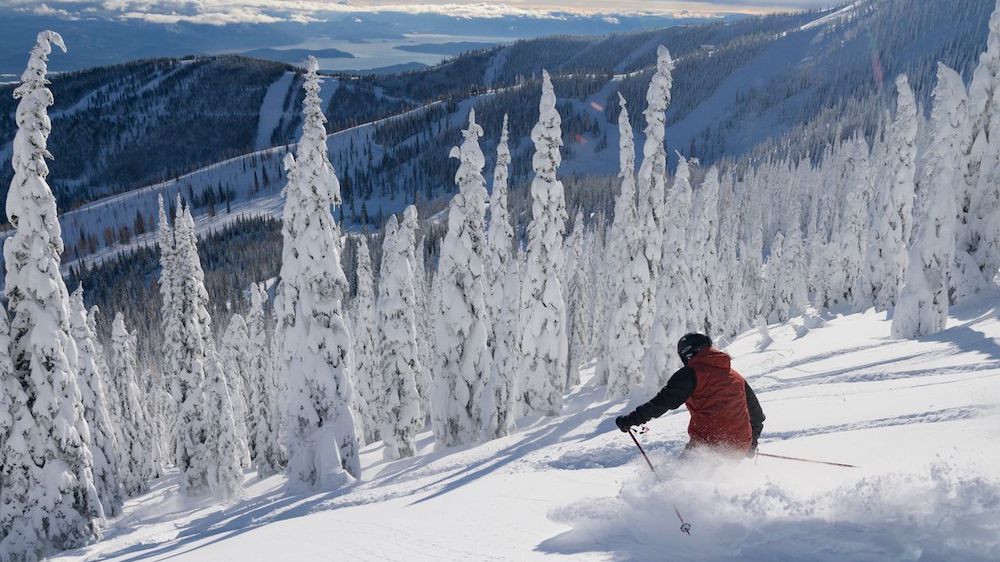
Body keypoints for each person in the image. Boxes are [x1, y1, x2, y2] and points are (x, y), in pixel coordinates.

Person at [614, 333, 765, 457]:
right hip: (739, 445)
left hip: (708, 444)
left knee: (680, 483)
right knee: (718, 484)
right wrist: (752, 442)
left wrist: (631, 419)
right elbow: (757, 414)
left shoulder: (691, 374)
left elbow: (662, 402)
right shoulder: (736, 376)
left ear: (687, 354)